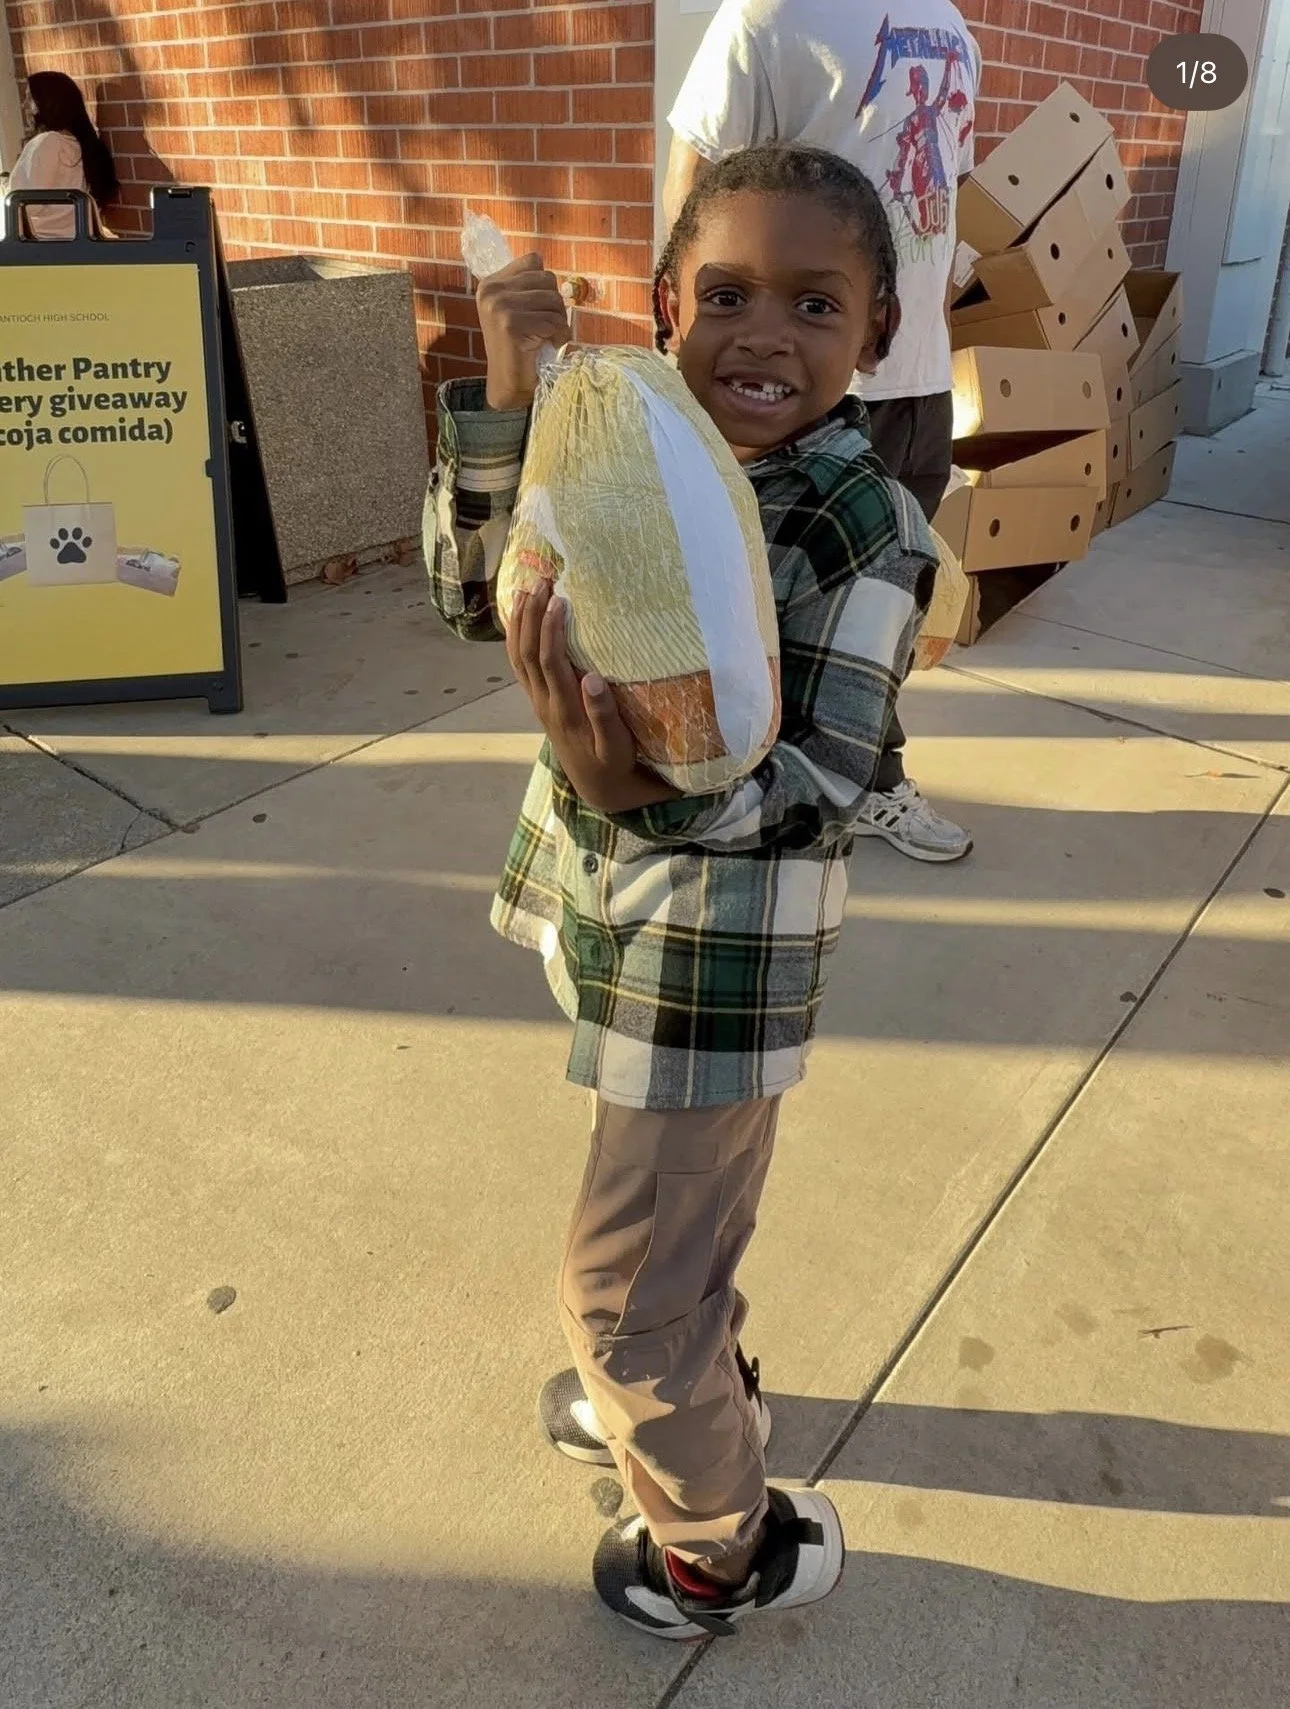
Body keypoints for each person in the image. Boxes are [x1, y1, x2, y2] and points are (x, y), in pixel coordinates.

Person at [425, 145, 938, 1638]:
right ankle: (683, 1388)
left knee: (622, 1291)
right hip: (617, 927)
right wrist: (505, 416)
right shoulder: (614, 447)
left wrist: (627, 789)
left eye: (814, 302)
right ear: (663, 306)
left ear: (872, 336)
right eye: (724, 293)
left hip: (710, 971)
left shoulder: (863, 529)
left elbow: (825, 784)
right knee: (679, 1237)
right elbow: (477, 603)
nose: (761, 334)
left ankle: (717, 1541)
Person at [664, 0, 980, 864]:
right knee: (773, 601)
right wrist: (688, 335)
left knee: (883, 608)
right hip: (810, 384)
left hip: (915, 378)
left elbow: (942, 197)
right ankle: (757, 788)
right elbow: (697, 176)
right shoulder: (770, 12)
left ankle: (855, 767)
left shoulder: (951, 24)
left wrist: (923, 332)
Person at [8, 71, 118, 240]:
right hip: (81, 240)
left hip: (43, 243)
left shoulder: (47, 143)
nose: (24, 106)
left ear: (49, 102)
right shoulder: (80, 143)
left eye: (30, 98)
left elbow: (24, 203)